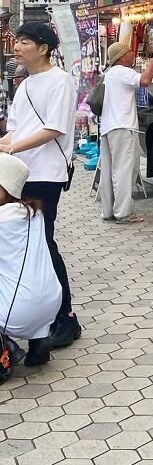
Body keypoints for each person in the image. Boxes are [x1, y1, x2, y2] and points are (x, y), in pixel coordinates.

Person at [0, 22, 79, 350]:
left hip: (47, 174)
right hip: (19, 174)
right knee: (28, 243)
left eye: (25, 41)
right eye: (17, 41)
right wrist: (4, 144)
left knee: (43, 242)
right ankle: (37, 317)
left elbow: (55, 129)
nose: (17, 46)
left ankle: (66, 317)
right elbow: (15, 130)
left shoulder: (60, 81)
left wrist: (12, 148)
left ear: (44, 48)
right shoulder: (25, 85)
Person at [0, 154, 61, 374]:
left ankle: (7, 347)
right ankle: (39, 342)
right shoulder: (35, 213)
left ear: (6, 189)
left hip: (16, 312)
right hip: (52, 303)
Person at [99, 42, 153, 224]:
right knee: (125, 169)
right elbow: (145, 81)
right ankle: (123, 213)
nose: (133, 54)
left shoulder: (109, 74)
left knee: (109, 170)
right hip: (123, 127)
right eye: (130, 51)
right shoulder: (123, 72)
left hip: (109, 127)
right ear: (122, 56)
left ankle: (108, 210)